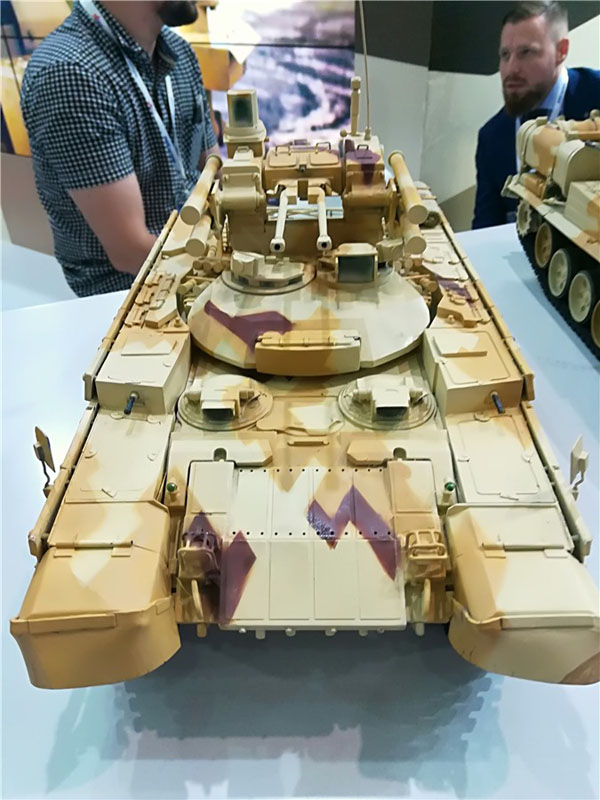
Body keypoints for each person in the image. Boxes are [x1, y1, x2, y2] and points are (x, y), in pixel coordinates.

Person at [21, 0, 219, 296]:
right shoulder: (70, 74)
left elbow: (213, 171)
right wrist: (239, 268)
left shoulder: (178, 52)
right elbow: (130, 251)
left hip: (198, 254)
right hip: (134, 291)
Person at [472, 1, 600, 229]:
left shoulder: (596, 93)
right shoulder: (492, 137)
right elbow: (485, 228)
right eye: (505, 55)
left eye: (526, 52)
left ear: (561, 51)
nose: (511, 68)